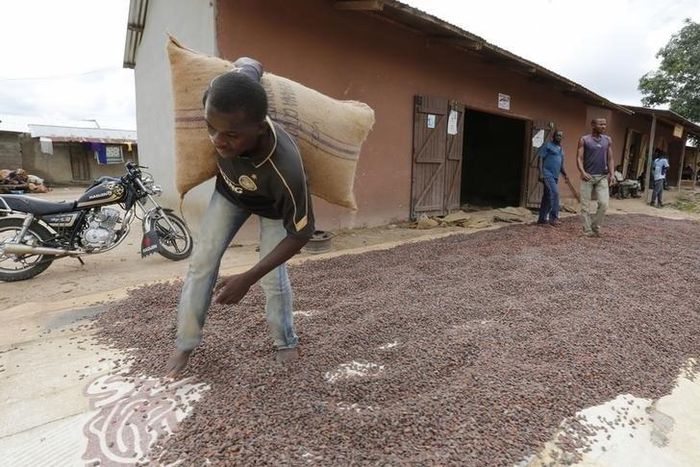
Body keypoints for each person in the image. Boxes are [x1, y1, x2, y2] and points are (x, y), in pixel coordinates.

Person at [165, 57, 315, 378]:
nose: (219, 141)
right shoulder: (224, 97)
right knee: (201, 262)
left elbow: (300, 234)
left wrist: (247, 278)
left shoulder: (286, 168)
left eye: (231, 135)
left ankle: (285, 341)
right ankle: (185, 341)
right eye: (211, 128)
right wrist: (249, 63)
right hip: (231, 194)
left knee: (274, 280)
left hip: (273, 208)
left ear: (259, 128)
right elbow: (248, 68)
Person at [577, 118, 614, 237]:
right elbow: (579, 158)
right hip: (587, 177)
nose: (604, 126)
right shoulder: (584, 140)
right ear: (593, 125)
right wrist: (582, 172)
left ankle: (595, 226)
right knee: (585, 206)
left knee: (604, 204)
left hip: (602, 176)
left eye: (605, 124)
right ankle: (587, 231)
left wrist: (612, 174)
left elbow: (610, 158)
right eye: (601, 124)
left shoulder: (607, 140)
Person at [537, 130, 569, 226]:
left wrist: (565, 174)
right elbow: (540, 159)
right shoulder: (547, 145)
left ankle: (542, 219)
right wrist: (541, 173)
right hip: (547, 173)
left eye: (561, 136)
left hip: (555, 176)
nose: (559, 137)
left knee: (547, 197)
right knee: (555, 194)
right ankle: (553, 218)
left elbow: (560, 164)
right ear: (553, 136)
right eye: (558, 135)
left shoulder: (561, 149)